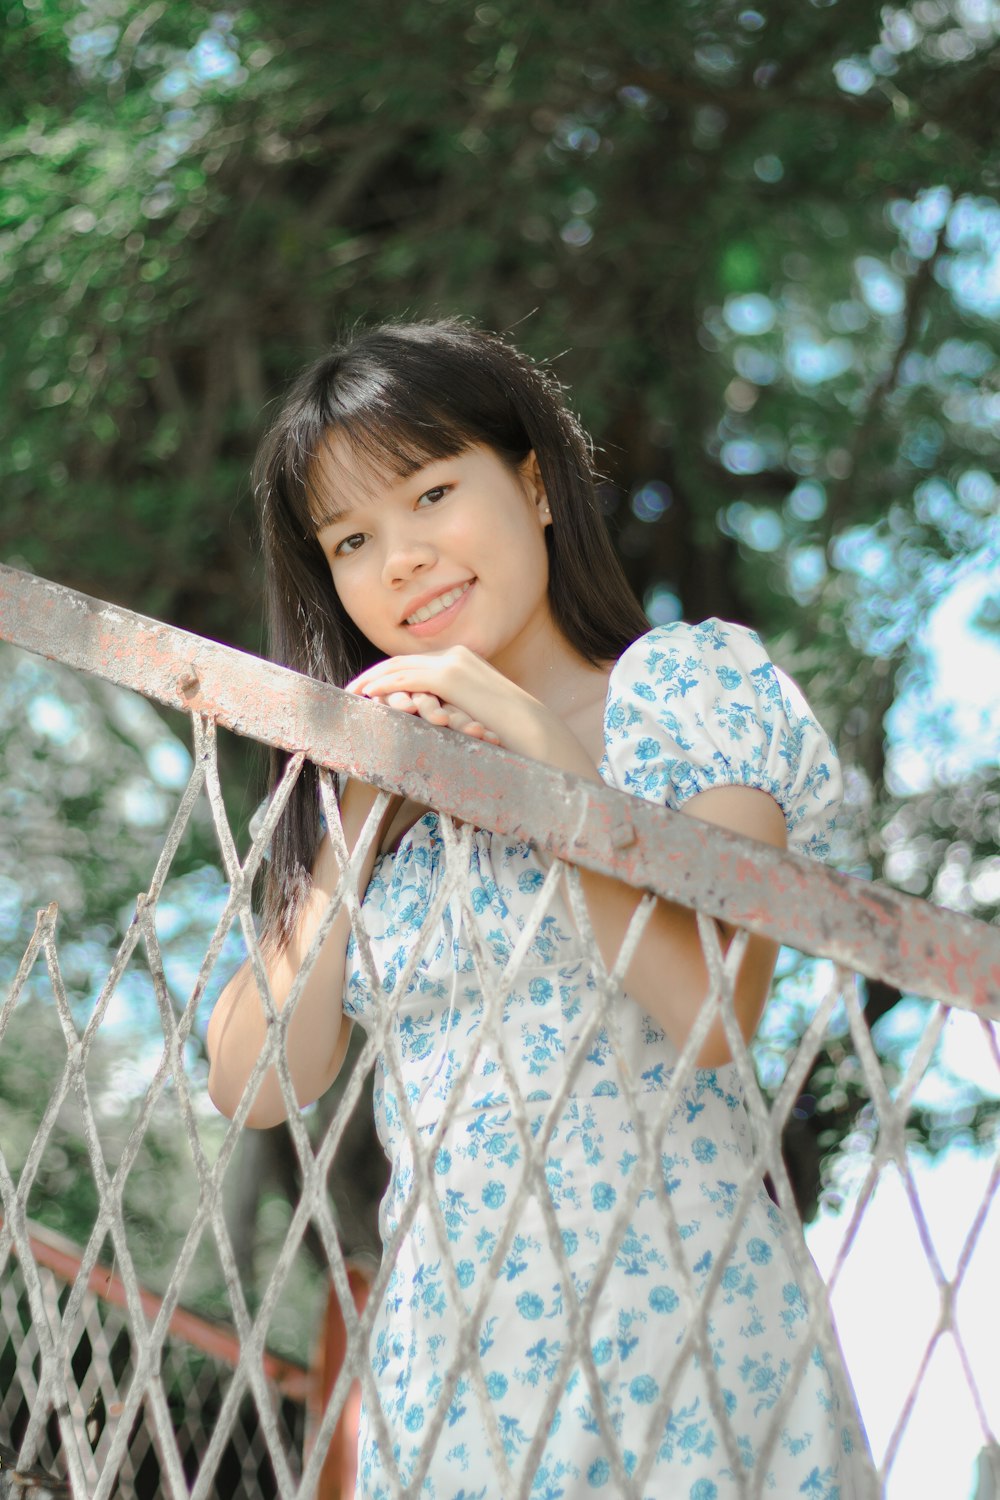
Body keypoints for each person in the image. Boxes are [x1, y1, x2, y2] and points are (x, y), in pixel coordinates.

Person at [207, 320, 869, 1498]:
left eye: (431, 492)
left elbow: (713, 1012)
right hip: (449, 1369)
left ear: (532, 482)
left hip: (681, 1333)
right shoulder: (371, 811)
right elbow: (255, 1083)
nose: (401, 557)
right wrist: (359, 809)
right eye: (354, 538)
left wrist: (541, 764)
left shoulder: (685, 689)